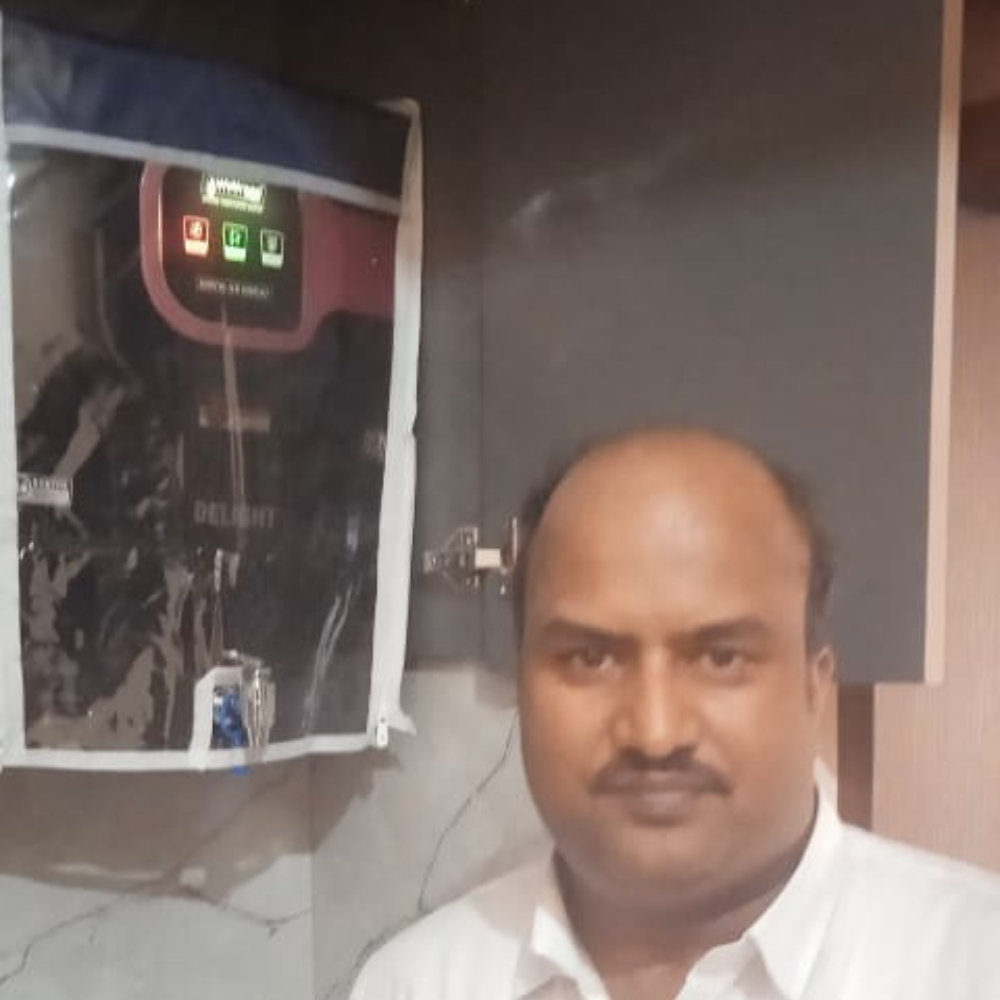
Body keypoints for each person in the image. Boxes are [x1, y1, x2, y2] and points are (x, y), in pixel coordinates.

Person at [351, 427, 1000, 1000]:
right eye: (590, 658)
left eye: (721, 657)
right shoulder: (416, 985)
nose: (656, 733)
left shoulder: (973, 966)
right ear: (521, 683)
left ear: (814, 684)